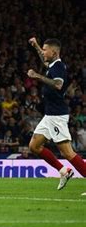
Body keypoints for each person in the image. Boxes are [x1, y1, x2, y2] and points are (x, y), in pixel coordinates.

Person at [27, 37, 86, 189]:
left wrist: (37, 76)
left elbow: (58, 85)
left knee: (68, 153)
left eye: (46, 50)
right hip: (49, 115)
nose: (44, 52)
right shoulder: (52, 64)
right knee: (34, 146)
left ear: (54, 52)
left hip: (57, 116)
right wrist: (36, 46)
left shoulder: (58, 67)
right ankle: (63, 171)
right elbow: (44, 60)